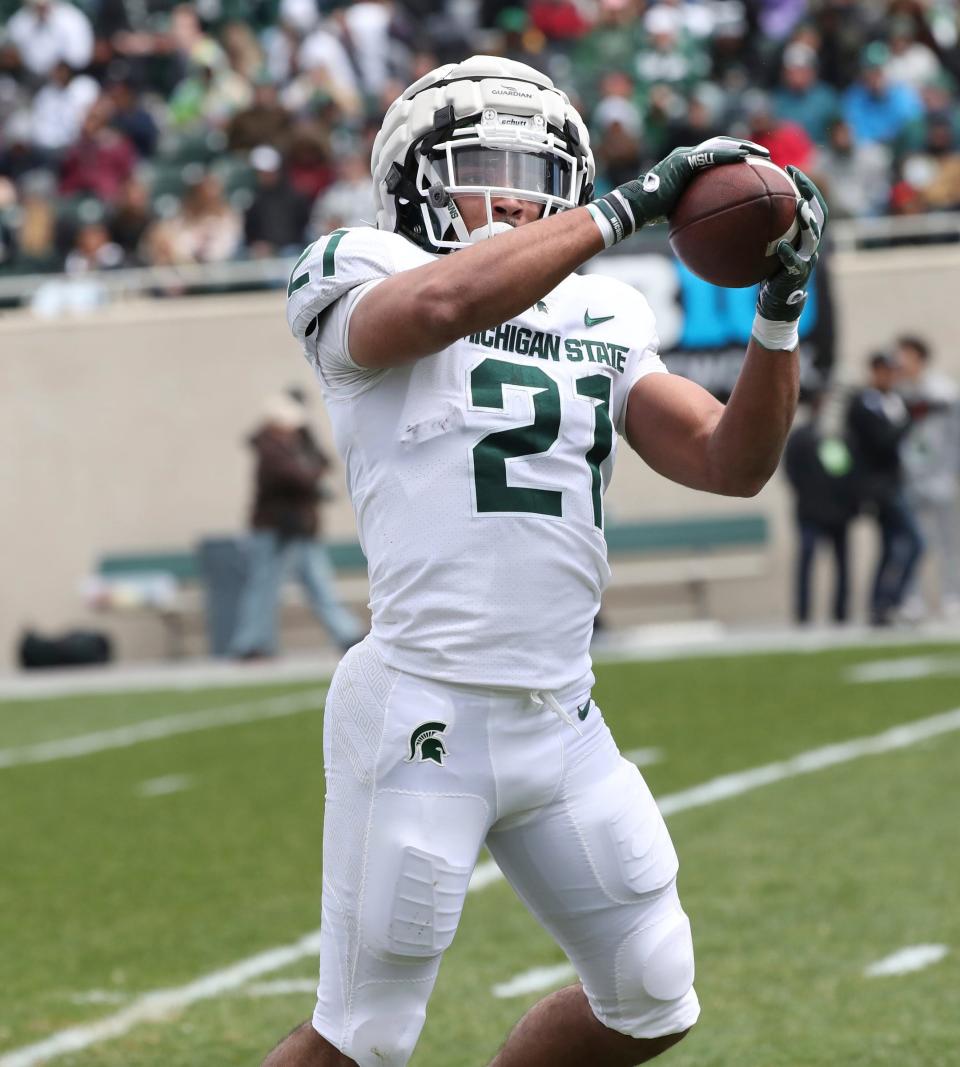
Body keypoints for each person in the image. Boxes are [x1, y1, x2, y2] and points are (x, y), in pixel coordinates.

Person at [266, 55, 826, 1067]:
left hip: (559, 711)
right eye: (485, 163)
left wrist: (779, 311)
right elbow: (442, 311)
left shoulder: (599, 315)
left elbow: (729, 460)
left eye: (536, 168)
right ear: (413, 177)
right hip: (420, 707)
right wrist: (626, 208)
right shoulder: (354, 266)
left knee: (653, 990)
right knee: (364, 1038)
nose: (516, 192)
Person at [229, 392, 365, 659]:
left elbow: (322, 461)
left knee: (318, 584)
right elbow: (297, 477)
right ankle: (251, 643)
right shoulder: (270, 448)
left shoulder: (295, 444)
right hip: (275, 531)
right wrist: (314, 476)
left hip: (300, 530)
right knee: (265, 587)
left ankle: (346, 633)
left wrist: (309, 437)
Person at [846, 351, 924, 626]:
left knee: (890, 546)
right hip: (880, 487)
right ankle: (893, 599)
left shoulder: (892, 402)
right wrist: (909, 421)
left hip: (894, 482)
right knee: (914, 541)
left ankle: (880, 606)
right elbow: (881, 442)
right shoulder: (863, 404)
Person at [896, 335, 960, 618]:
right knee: (910, 541)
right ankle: (913, 599)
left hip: (940, 476)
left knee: (949, 541)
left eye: (905, 356)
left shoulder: (945, 391)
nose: (901, 363)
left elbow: (955, 436)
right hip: (909, 478)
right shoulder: (897, 394)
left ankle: (953, 597)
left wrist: (952, 471)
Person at [784, 390, 859, 624]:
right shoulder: (801, 437)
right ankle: (803, 614)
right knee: (806, 560)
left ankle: (841, 613)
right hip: (810, 512)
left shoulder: (843, 437)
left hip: (839, 513)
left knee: (843, 564)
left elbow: (852, 473)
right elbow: (791, 472)